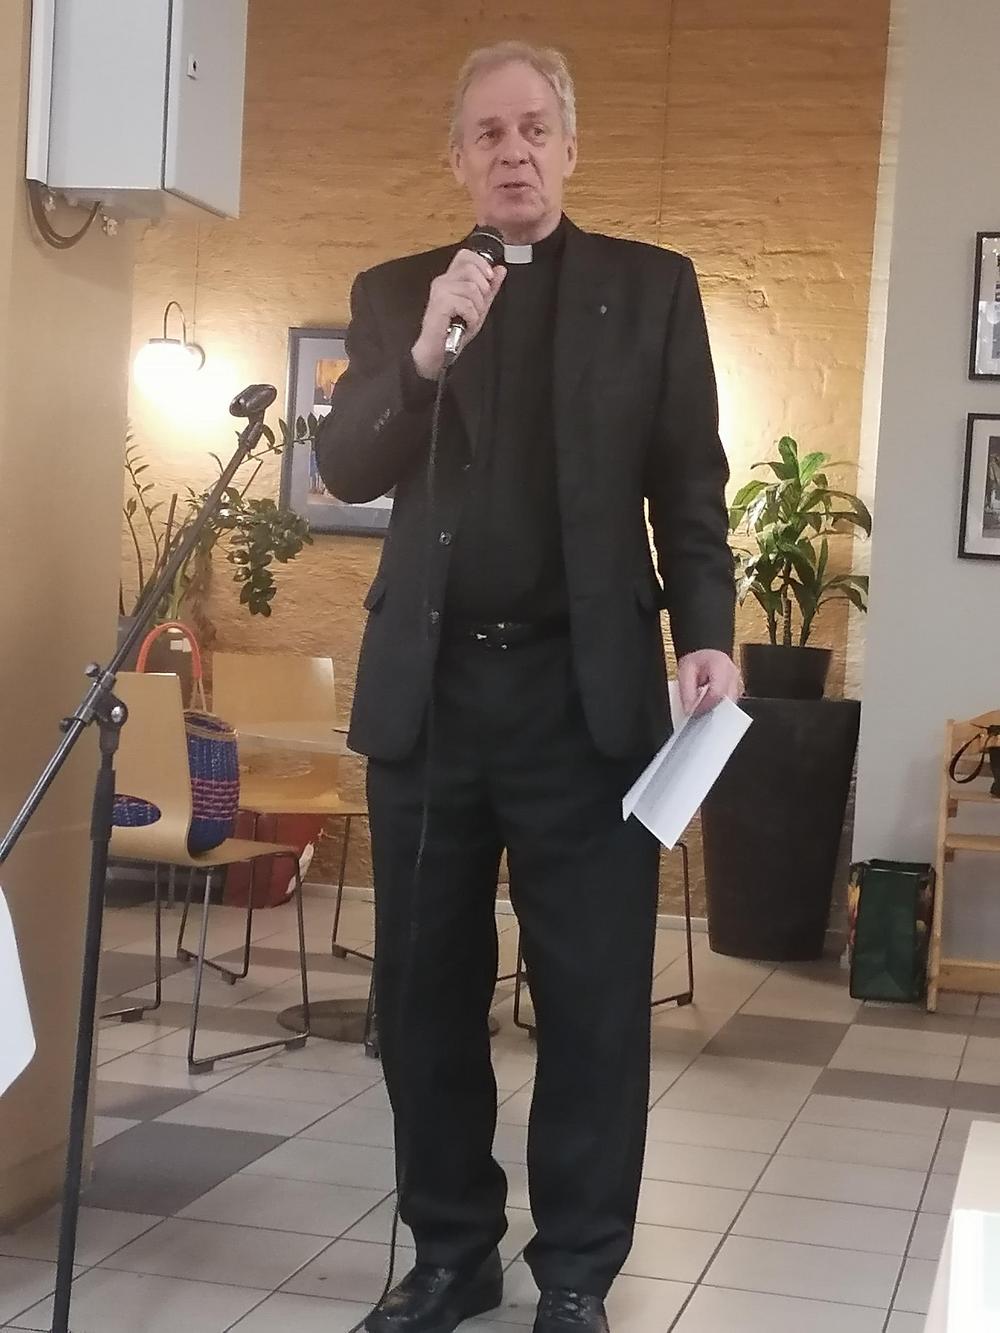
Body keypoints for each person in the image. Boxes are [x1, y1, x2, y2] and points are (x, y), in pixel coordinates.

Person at [315, 40, 740, 1333]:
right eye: (489, 133)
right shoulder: (400, 295)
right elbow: (344, 464)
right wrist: (424, 354)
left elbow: (691, 481)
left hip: (586, 701)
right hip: (433, 701)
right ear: (457, 159)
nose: (513, 152)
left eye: (534, 129)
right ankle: (453, 1252)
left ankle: (575, 1272)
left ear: (570, 147)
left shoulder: (651, 290)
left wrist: (707, 634)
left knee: (595, 1002)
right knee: (425, 996)